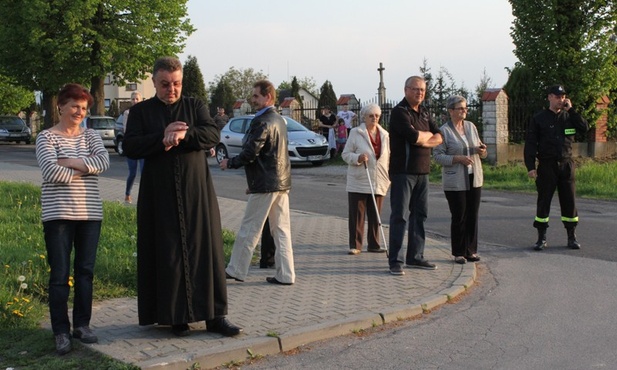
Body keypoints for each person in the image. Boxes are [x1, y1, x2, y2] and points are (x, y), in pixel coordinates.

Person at [123, 56, 241, 337]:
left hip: (195, 193)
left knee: (206, 251)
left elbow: (211, 134)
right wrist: (161, 136)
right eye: (165, 84)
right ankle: (176, 317)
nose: (171, 90)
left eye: (176, 84)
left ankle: (215, 317)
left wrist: (184, 135)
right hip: (159, 195)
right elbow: (130, 146)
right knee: (169, 254)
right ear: (154, 82)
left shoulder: (195, 105)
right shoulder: (141, 113)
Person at [35, 83, 110, 355]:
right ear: (61, 106)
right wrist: (85, 166)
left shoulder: (91, 136)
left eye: (84, 108)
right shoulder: (46, 138)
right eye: (75, 106)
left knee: (85, 273)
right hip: (58, 216)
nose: (80, 112)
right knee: (59, 275)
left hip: (90, 214)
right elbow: (50, 172)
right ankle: (60, 331)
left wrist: (69, 161)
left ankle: (82, 325)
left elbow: (103, 163)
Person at [220, 80, 295, 286]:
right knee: (281, 229)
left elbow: (250, 153)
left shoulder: (262, 121)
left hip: (265, 183)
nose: (252, 100)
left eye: (256, 96)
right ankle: (286, 274)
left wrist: (230, 162)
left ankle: (236, 269)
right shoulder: (279, 119)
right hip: (280, 182)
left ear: (268, 97)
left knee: (250, 227)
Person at [388, 76, 443, 275]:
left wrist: (424, 139)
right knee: (399, 217)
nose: (419, 93)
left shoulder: (425, 113)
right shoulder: (399, 112)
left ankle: (415, 256)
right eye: (415, 89)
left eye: (422, 90)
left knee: (420, 215)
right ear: (406, 90)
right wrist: (425, 137)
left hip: (423, 172)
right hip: (403, 172)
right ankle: (395, 260)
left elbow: (439, 136)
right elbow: (413, 137)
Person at [524, 84, 589, 251]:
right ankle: (541, 238)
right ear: (549, 97)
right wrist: (530, 166)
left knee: (569, 201)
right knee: (544, 201)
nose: (560, 99)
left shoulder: (569, 117)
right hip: (547, 165)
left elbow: (584, 128)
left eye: (562, 96)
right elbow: (531, 144)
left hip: (566, 164)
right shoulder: (539, 118)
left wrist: (572, 110)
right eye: (557, 96)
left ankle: (571, 236)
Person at [433, 95, 488, 264]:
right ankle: (458, 252)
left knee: (473, 214)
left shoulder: (471, 127)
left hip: (474, 177)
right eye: (460, 108)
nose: (464, 111)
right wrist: (458, 159)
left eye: (465, 108)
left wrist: (482, 151)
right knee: (459, 215)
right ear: (451, 111)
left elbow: (481, 150)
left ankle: (471, 250)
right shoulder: (444, 131)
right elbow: (438, 156)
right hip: (455, 180)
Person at [342, 103, 390, 255]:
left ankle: (374, 244)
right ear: (364, 117)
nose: (374, 118)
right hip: (360, 178)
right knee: (357, 214)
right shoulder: (356, 133)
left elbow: (388, 157)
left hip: (378, 179)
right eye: (371, 115)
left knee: (375, 214)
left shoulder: (385, 135)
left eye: (376, 115)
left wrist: (388, 175)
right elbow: (345, 154)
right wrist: (358, 157)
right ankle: (355, 245)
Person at [122, 91, 144, 203]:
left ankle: (144, 196)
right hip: (132, 147)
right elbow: (126, 130)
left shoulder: (145, 112)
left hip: (143, 147)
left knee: (144, 172)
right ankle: (127, 194)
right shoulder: (127, 113)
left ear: (141, 100)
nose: (135, 101)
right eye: (133, 99)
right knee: (132, 173)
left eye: (137, 99)